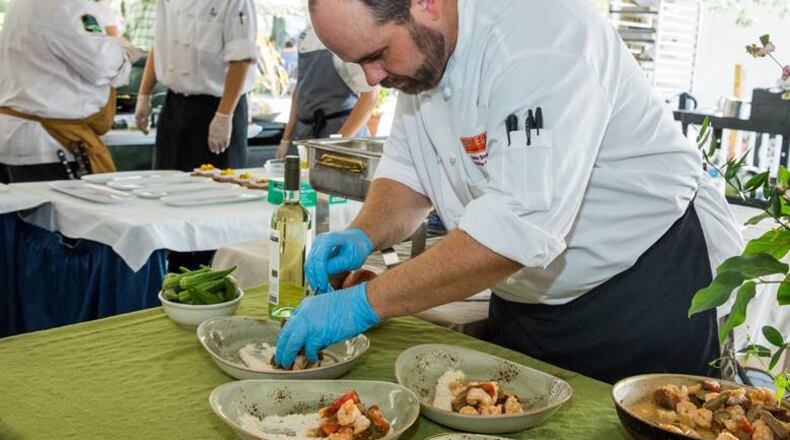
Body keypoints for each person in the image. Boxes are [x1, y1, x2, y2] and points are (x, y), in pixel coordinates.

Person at [274, 0, 744, 384]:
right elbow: (409, 169)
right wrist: (362, 235)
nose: (373, 79)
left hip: (642, 293)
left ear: (425, 3)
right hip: (524, 300)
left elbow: (517, 228)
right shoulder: (424, 53)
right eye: (359, 64)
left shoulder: (541, 41)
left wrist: (363, 305)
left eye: (376, 55)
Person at [0, 0, 132, 183]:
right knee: (66, 211)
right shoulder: (70, 4)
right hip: (51, 142)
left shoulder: (21, 4)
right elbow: (104, 65)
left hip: (20, 133)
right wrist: (123, 51)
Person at [134, 0, 258, 172]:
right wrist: (144, 95)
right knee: (166, 183)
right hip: (174, 105)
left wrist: (224, 115)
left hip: (218, 107)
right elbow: (160, 43)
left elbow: (241, 58)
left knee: (217, 189)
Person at [275, 25, 379, 159]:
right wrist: (285, 140)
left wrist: (336, 145)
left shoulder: (349, 35)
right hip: (306, 136)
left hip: (342, 137)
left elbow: (370, 97)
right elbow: (300, 89)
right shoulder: (306, 33)